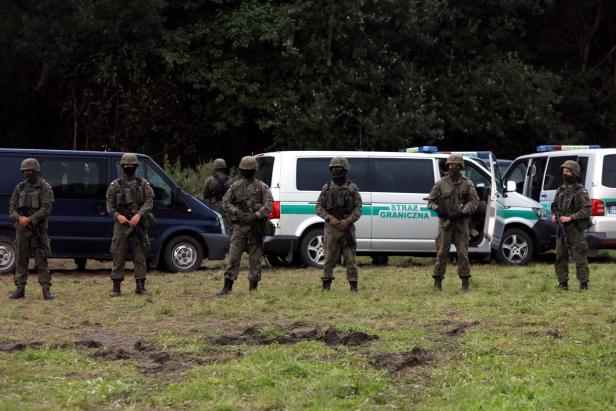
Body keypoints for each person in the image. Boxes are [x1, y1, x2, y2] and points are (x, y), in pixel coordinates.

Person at [218, 156, 273, 295]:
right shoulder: (236, 186)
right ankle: (227, 286)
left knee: (255, 259)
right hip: (240, 228)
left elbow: (269, 204)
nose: (247, 173)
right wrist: (237, 212)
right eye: (244, 170)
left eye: (249, 170)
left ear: (255, 170)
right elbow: (225, 202)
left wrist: (256, 215)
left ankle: (253, 288)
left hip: (256, 228)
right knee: (233, 257)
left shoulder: (261, 187)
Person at [106, 153, 155, 297]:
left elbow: (149, 202)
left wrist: (139, 215)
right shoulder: (115, 185)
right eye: (126, 166)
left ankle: (140, 286)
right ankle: (116, 287)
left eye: (131, 166)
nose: (128, 168)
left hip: (138, 224)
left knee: (140, 256)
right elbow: (109, 204)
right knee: (118, 255)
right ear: (122, 167)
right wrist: (117, 216)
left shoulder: (143, 184)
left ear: (136, 167)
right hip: (122, 226)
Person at [428, 154, 479, 292]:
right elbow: (430, 201)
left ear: (461, 167)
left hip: (461, 225)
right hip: (445, 225)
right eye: (451, 165)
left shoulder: (467, 183)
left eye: (456, 165)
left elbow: (474, 201)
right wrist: (439, 210)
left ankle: (465, 282)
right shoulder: (440, 183)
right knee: (442, 253)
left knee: (462, 254)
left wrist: (463, 212)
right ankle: (437, 282)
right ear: (447, 166)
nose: (453, 167)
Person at [8, 158, 55, 300]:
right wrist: (19, 218)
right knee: (21, 260)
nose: (27, 173)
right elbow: (12, 208)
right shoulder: (19, 188)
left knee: (41, 260)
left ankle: (46, 289)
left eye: (30, 170)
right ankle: (20, 289)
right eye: (25, 171)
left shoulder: (45, 187)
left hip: (38, 229)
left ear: (36, 171)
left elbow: (46, 208)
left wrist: (31, 219)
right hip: (22, 230)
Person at [316, 156, 363, 293]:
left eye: (339, 169)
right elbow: (319, 207)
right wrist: (330, 219)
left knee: (350, 258)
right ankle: (326, 286)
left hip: (347, 228)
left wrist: (348, 221)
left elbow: (358, 208)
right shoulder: (327, 188)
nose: (336, 172)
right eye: (334, 169)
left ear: (345, 170)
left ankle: (353, 286)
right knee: (329, 258)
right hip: (331, 229)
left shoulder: (352, 189)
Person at [551, 160, 592, 290]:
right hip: (561, 228)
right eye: (564, 171)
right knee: (560, 256)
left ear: (574, 173)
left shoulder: (581, 191)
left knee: (579, 256)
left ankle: (583, 284)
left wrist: (571, 218)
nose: (565, 173)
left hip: (575, 228)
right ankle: (563, 283)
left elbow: (587, 209)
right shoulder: (560, 190)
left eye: (568, 171)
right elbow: (555, 206)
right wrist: (555, 215)